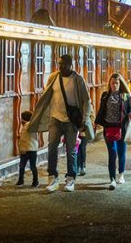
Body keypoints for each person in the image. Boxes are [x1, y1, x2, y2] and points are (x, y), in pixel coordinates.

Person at [25, 54, 94, 192]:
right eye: (59, 63)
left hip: (70, 121)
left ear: (70, 65)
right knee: (52, 148)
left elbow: (86, 101)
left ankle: (70, 179)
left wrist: (85, 120)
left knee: (71, 150)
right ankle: (52, 178)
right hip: (55, 118)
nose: (60, 66)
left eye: (63, 64)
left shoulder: (78, 79)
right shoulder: (54, 77)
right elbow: (47, 96)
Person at [95, 73, 131, 190]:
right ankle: (112, 179)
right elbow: (101, 110)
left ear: (120, 84)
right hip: (108, 128)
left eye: (116, 83)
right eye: (112, 83)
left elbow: (130, 108)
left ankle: (121, 173)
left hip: (121, 128)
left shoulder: (125, 96)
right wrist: (97, 122)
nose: (114, 85)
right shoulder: (105, 95)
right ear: (109, 84)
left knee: (121, 153)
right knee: (112, 153)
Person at [16, 110, 40, 187]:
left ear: (23, 119)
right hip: (25, 149)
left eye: (21, 118)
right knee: (26, 166)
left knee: (25, 166)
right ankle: (22, 181)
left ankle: (33, 181)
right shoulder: (25, 126)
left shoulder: (30, 125)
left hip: (30, 149)